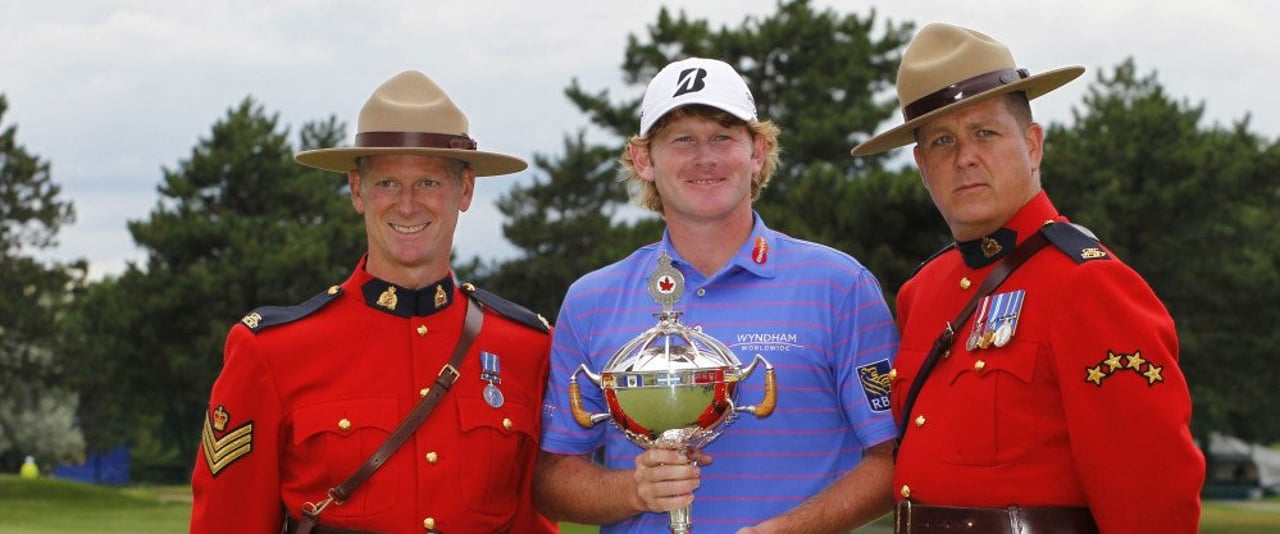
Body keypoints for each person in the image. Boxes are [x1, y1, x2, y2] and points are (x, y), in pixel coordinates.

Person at [850, 23, 1205, 533]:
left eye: (985, 133)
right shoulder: (922, 292)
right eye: (942, 141)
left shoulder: (1088, 286)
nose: (965, 156)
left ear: (1033, 144)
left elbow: (1153, 500)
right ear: (922, 166)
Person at [535, 57, 900, 533]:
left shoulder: (840, 286)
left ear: (757, 151)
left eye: (723, 136)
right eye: (681, 139)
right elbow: (552, 477)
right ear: (644, 159)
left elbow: (893, 459)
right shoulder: (590, 301)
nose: (704, 157)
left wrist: (793, 529)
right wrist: (633, 491)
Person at [190, 70, 557, 534]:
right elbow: (228, 522)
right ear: (357, 190)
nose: (407, 205)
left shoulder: (525, 348)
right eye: (386, 183)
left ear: (465, 190)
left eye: (428, 182)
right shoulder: (272, 350)